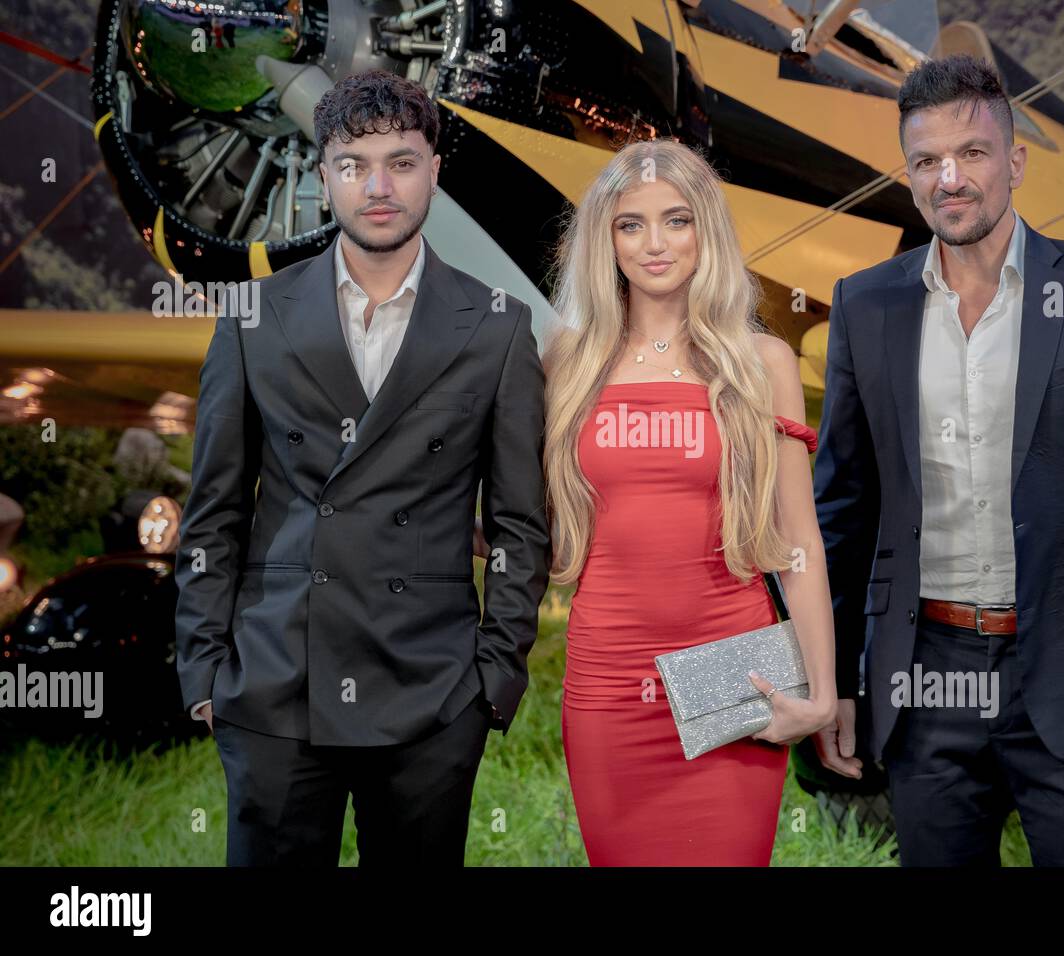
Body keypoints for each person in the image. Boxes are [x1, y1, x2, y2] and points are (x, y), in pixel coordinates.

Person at [812, 55, 1064, 866]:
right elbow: (842, 511)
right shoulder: (866, 303)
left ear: (1016, 161)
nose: (949, 179)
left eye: (973, 154)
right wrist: (838, 681)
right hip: (924, 677)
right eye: (926, 161)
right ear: (910, 173)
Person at [174, 69, 549, 866]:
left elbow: (520, 522)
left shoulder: (496, 328)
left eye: (402, 162)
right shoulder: (252, 317)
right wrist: (205, 670)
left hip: (433, 693)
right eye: (353, 164)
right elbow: (213, 509)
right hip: (275, 686)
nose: (378, 186)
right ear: (323, 177)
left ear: (435, 170)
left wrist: (494, 677)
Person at [536, 139, 838, 866]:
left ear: (707, 231)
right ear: (604, 240)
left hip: (733, 676)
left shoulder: (760, 362)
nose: (655, 243)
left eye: (676, 220)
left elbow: (799, 541)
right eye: (630, 224)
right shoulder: (569, 361)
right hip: (608, 685)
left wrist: (823, 694)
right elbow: (537, 526)